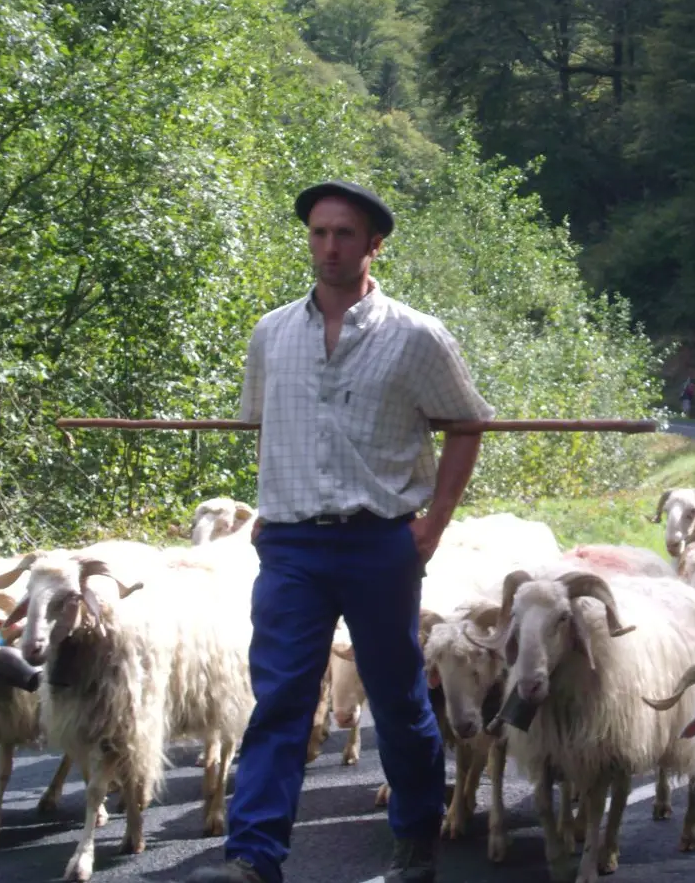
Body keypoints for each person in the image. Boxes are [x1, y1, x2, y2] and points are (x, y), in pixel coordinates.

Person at [189, 181, 494, 883]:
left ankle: (417, 839)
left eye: (345, 234)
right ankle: (254, 856)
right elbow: (265, 425)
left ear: (373, 245)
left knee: (397, 697)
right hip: (292, 547)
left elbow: (466, 424)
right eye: (319, 233)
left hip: (380, 542)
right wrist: (274, 504)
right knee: (281, 701)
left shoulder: (417, 336)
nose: (329, 246)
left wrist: (434, 525)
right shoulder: (272, 333)